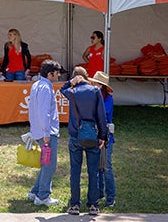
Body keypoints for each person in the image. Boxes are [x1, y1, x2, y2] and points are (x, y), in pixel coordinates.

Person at [61, 66, 108, 216]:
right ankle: (93, 205)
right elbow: (101, 116)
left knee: (75, 171)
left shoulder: (72, 92)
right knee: (93, 172)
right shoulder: (95, 91)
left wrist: (70, 82)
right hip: (92, 135)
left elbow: (62, 89)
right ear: (87, 77)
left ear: (75, 78)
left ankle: (74, 205)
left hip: (75, 136)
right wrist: (102, 136)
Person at [28, 60, 64, 206]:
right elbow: (44, 113)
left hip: (40, 131)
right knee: (50, 165)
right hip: (46, 133)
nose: (59, 75)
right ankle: (43, 196)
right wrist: (47, 133)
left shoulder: (37, 85)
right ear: (50, 74)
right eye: (57, 73)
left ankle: (35, 191)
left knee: (46, 163)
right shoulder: (45, 88)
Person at [89, 71, 116, 207]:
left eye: (96, 83)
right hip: (94, 135)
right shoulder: (95, 98)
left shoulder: (107, 100)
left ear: (102, 86)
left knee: (106, 167)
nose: (93, 85)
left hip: (105, 138)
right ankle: (100, 194)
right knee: (97, 167)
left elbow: (102, 115)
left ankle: (111, 196)